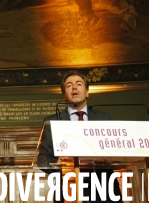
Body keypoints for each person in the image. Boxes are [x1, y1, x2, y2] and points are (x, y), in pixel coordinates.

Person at [37, 70, 121, 203]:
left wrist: (110, 158)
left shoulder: (104, 118)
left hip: (103, 187)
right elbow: (42, 160)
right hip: (68, 187)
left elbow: (116, 152)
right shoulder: (52, 121)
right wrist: (56, 165)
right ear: (64, 95)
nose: (74, 87)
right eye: (69, 85)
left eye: (79, 84)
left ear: (87, 92)